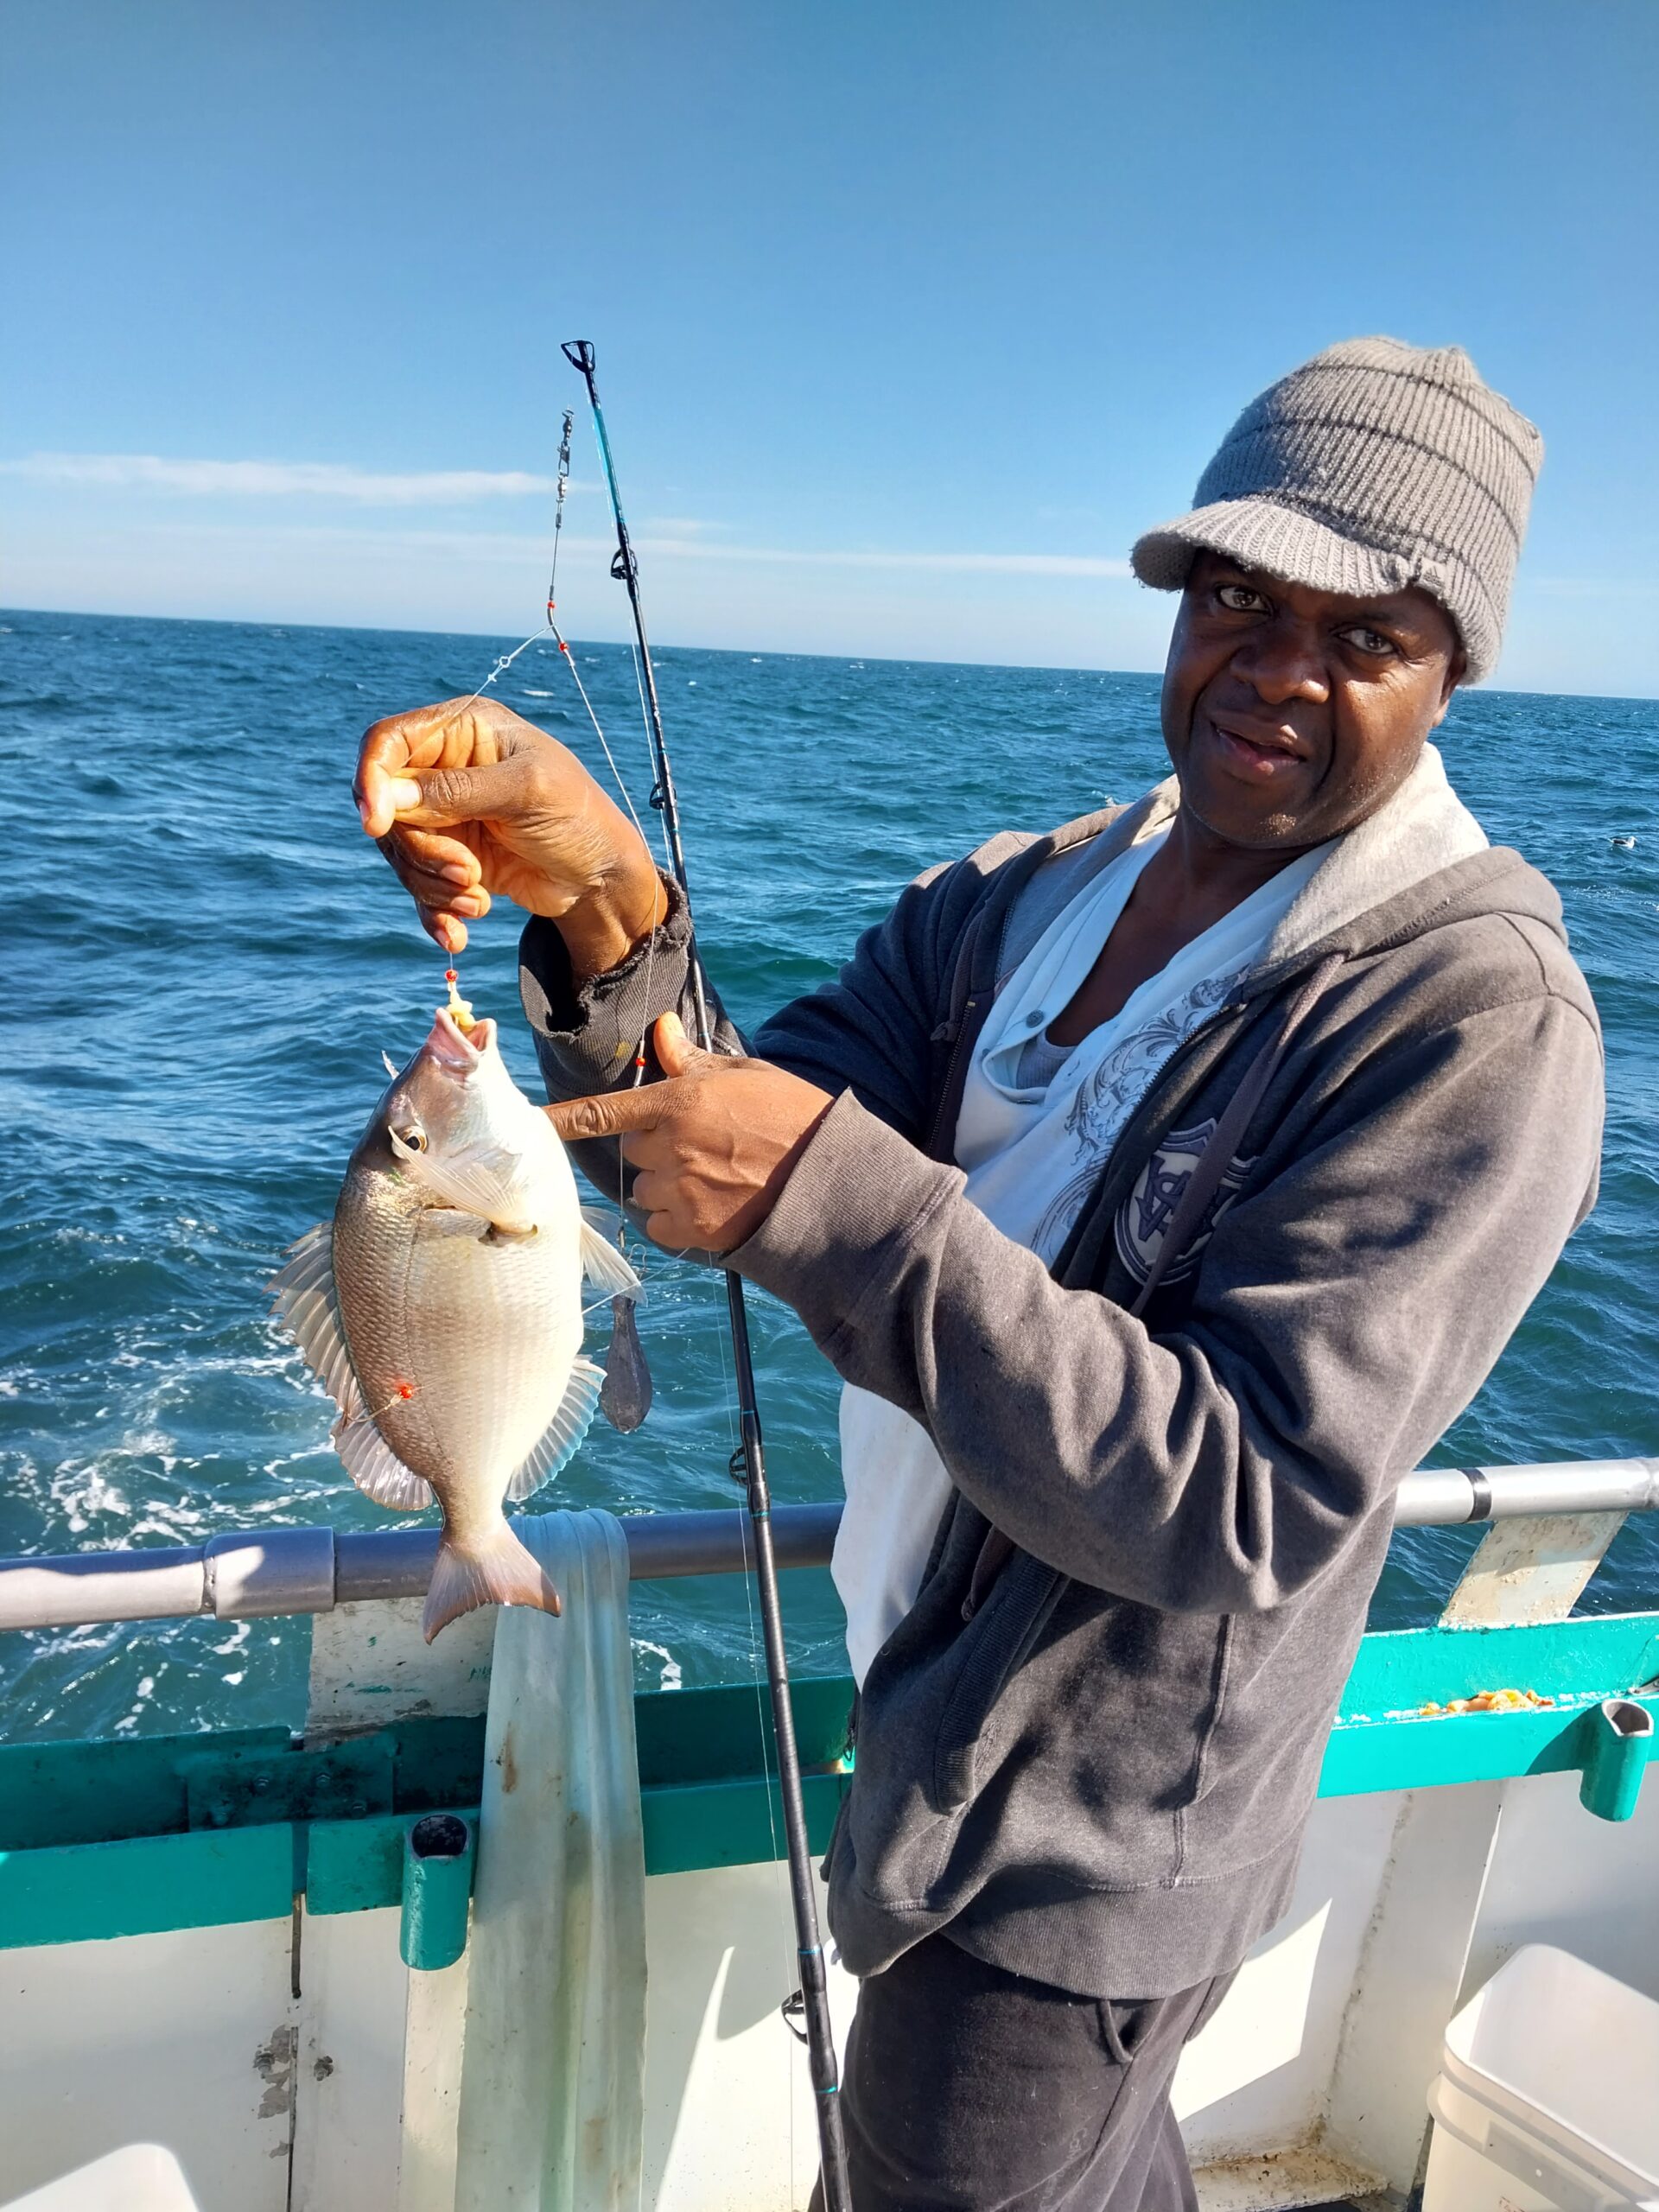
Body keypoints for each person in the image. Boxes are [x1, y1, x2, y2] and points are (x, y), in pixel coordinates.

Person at [355, 337, 1604, 2211]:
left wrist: (839, 1197)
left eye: (1369, 630)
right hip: (923, 1683)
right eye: (1243, 594)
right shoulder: (1026, 892)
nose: (1276, 664)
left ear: (1455, 673)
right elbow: (732, 1138)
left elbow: (1242, 1495)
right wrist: (604, 905)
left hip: (1086, 1835)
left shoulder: (1470, 1015)